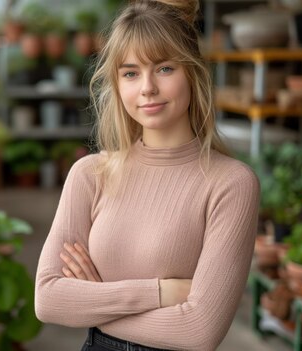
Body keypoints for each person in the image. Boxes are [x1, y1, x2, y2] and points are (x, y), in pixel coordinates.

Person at [34, 1, 260, 350]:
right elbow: (48, 299)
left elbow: (200, 331)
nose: (147, 88)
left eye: (165, 68)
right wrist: (159, 292)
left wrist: (92, 301)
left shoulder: (230, 184)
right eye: (130, 72)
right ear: (117, 83)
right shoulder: (90, 175)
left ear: (193, 72)